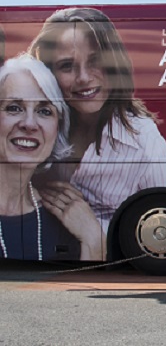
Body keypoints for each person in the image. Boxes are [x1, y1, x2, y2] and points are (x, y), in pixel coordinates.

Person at [28, 7, 166, 234]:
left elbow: (165, 225)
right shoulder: (35, 126)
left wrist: (92, 229)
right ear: (49, 73)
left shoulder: (144, 139)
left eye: (96, 61)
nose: (84, 78)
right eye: (67, 65)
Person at [0, 55, 100, 261]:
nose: (29, 124)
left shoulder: (66, 219)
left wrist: (94, 240)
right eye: (14, 108)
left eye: (44, 111)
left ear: (57, 128)